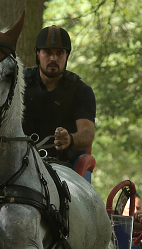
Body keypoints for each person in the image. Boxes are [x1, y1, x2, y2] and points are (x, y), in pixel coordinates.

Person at [21, 25, 96, 176]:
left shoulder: (81, 91)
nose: (53, 58)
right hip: (20, 162)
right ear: (37, 53)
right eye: (47, 52)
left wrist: (70, 139)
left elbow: (87, 133)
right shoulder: (18, 85)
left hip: (66, 168)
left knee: (88, 198)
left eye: (59, 53)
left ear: (67, 55)